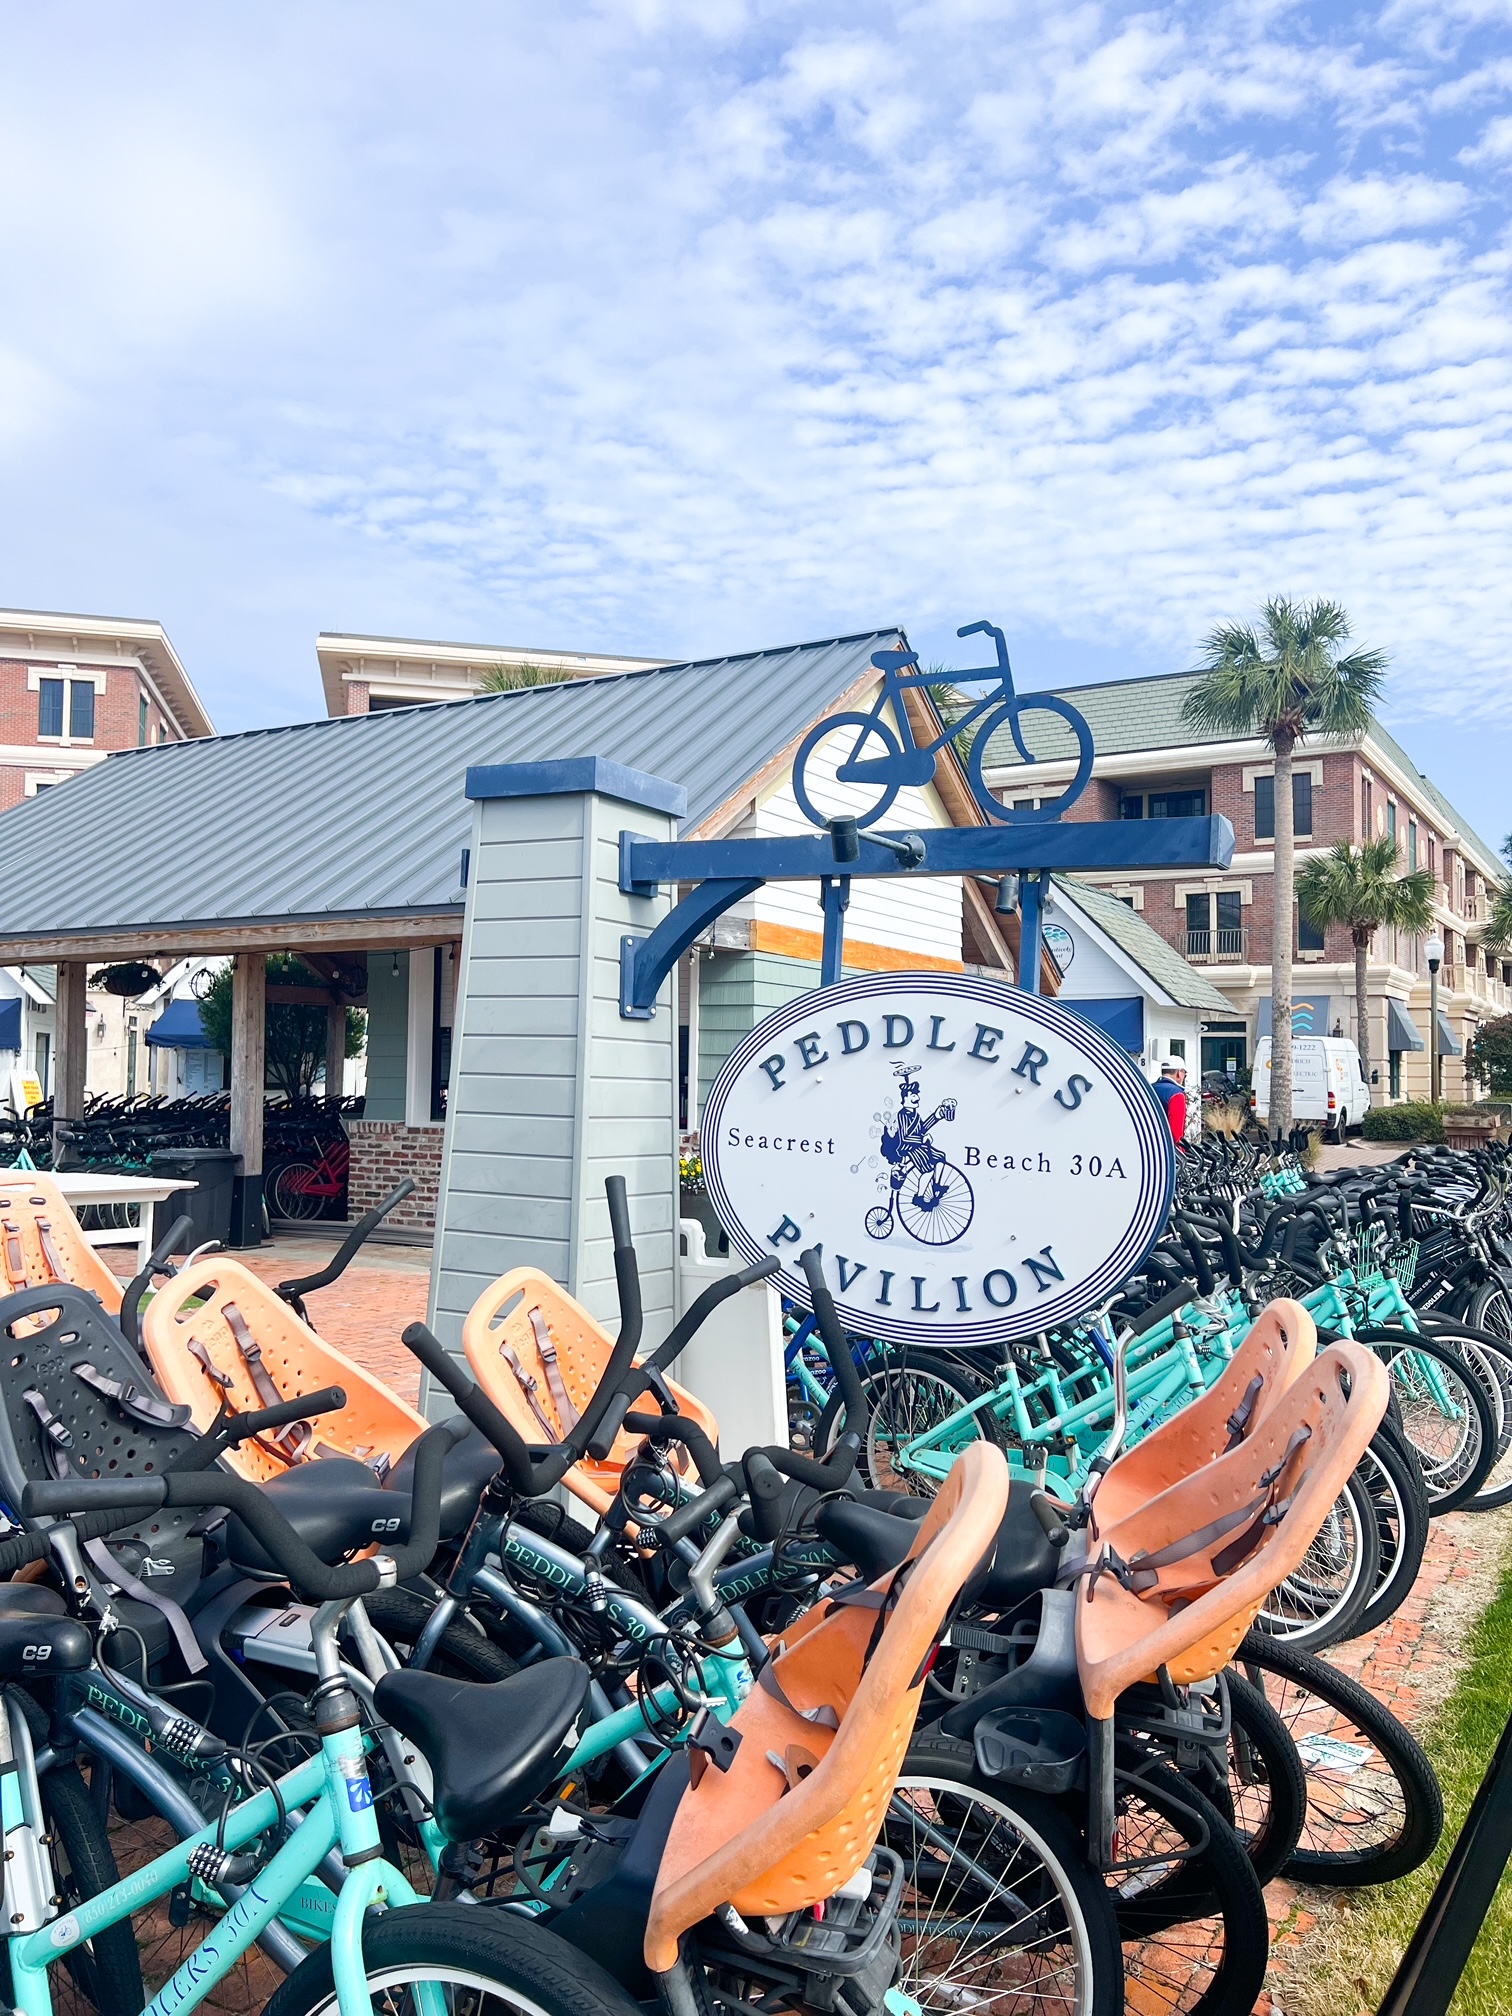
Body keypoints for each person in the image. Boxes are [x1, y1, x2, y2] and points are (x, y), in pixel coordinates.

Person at [1152, 1055, 1188, 1148]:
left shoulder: (1149, 1089)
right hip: (1167, 1150)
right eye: (1185, 1073)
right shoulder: (1177, 1095)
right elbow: (1176, 1134)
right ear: (1179, 1073)